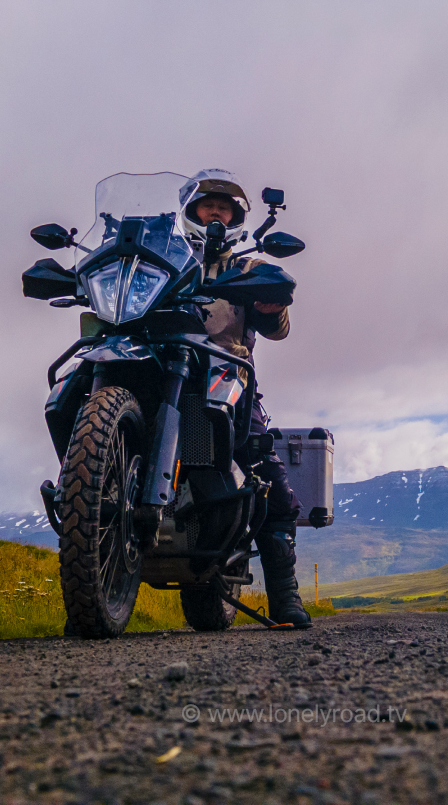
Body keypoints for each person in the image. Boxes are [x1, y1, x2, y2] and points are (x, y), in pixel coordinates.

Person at [180, 169, 310, 629]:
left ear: (235, 217)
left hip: (224, 375)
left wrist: (271, 307)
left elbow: (278, 329)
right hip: (158, 364)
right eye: (207, 205)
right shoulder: (159, 258)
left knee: (268, 476)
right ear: (191, 211)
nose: (216, 212)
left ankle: (285, 600)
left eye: (225, 208)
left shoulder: (247, 266)